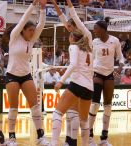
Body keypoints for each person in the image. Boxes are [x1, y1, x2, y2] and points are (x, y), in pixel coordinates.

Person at [5, 0, 49, 145]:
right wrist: (33, 5)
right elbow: (23, 19)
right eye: (30, 30)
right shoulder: (14, 37)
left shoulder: (31, 41)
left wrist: (42, 8)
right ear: (23, 30)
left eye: (33, 30)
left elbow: (41, 25)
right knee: (13, 108)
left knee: (35, 106)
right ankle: (11, 138)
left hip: (26, 75)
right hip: (12, 75)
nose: (32, 32)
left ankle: (40, 136)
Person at [51, 0, 93, 145]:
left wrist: (69, 4)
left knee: (66, 113)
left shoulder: (84, 37)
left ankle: (66, 141)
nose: (67, 28)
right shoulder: (85, 44)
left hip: (78, 80)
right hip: (88, 83)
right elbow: (63, 18)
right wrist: (56, 5)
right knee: (77, 116)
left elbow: (73, 18)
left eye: (69, 26)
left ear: (75, 27)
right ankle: (72, 141)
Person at [89, 19, 125, 146]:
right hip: (97, 73)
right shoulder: (94, 42)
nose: (94, 31)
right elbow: (91, 59)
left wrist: (120, 67)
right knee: (94, 105)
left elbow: (121, 57)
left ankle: (104, 138)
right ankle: (89, 136)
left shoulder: (114, 40)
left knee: (108, 106)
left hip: (109, 74)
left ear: (103, 29)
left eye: (96, 28)